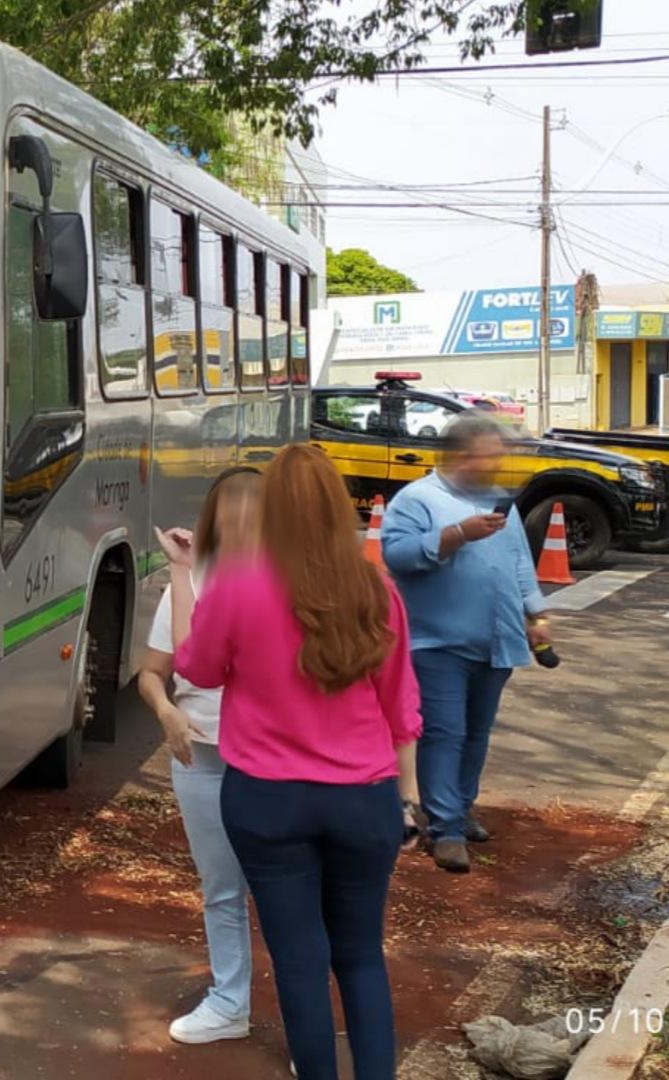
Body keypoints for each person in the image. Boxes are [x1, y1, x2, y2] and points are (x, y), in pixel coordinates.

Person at [161, 444, 422, 1080]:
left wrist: (186, 571)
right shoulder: (375, 588)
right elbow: (402, 705)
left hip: (268, 797)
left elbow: (194, 668)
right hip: (363, 797)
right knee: (361, 953)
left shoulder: (244, 586)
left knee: (300, 958)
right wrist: (410, 799)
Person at [380, 413, 551, 874]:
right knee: (444, 732)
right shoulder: (417, 499)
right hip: (437, 642)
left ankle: (460, 806)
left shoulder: (498, 500)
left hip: (497, 641)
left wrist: (536, 613)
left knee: (476, 732)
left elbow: (517, 561)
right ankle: (446, 827)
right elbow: (397, 556)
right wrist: (456, 535)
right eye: (491, 455)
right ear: (462, 455)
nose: (498, 464)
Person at [137, 466, 264, 1046]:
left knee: (286, 890)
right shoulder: (189, 580)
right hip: (202, 759)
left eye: (253, 508)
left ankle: (308, 1013)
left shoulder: (290, 580)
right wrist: (166, 713)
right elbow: (154, 673)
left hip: (271, 759)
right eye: (229, 508)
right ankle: (230, 1000)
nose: (239, 521)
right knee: (221, 888)